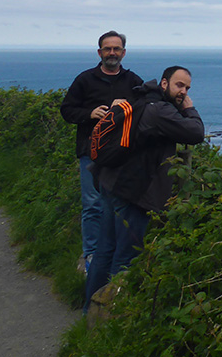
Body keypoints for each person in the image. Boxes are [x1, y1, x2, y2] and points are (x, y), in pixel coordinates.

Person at [84, 65, 204, 311]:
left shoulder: (140, 96)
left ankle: (89, 310)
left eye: (187, 88)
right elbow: (195, 132)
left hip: (110, 181)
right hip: (132, 193)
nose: (183, 91)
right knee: (126, 258)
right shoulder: (159, 111)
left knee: (105, 249)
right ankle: (111, 318)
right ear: (164, 83)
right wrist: (189, 108)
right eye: (179, 85)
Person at [60, 31, 143, 272]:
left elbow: (143, 111)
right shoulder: (85, 80)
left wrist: (125, 108)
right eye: (107, 49)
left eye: (117, 49)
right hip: (90, 152)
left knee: (121, 203)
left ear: (124, 53)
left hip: (121, 154)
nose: (112, 53)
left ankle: (116, 254)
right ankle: (92, 255)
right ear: (99, 52)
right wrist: (89, 113)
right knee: (92, 204)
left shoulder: (133, 81)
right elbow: (67, 111)